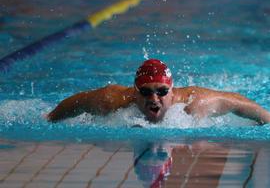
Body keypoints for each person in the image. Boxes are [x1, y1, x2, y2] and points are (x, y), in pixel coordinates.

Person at [47, 59, 270, 124]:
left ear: (172, 92)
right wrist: (49, 118)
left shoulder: (195, 103)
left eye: (162, 92)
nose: (154, 98)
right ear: (134, 93)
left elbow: (238, 102)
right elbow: (74, 103)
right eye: (145, 92)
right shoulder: (111, 101)